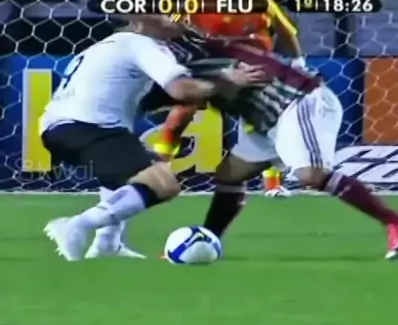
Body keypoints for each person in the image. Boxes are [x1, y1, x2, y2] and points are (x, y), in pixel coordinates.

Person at [39, 16, 265, 261]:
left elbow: (154, 98)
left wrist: (212, 84)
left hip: (59, 128)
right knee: (164, 185)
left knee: (126, 178)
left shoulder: (105, 47)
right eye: (164, 14)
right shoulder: (141, 43)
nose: (174, 20)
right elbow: (181, 89)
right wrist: (228, 81)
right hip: (91, 126)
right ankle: (76, 225)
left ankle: (107, 244)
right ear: (139, 22)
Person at [190, 38, 398, 260]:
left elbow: (185, 89)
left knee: (311, 175)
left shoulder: (203, 53)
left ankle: (397, 222)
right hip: (265, 120)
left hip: (296, 102)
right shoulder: (193, 56)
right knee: (230, 174)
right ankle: (208, 240)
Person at [153, 0, 305, 197]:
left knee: (263, 123)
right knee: (182, 113)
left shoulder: (261, 2)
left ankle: (273, 185)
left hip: (252, 69)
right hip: (213, 69)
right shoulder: (199, 1)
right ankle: (158, 172)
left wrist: (298, 63)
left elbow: (286, 32)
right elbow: (169, 25)